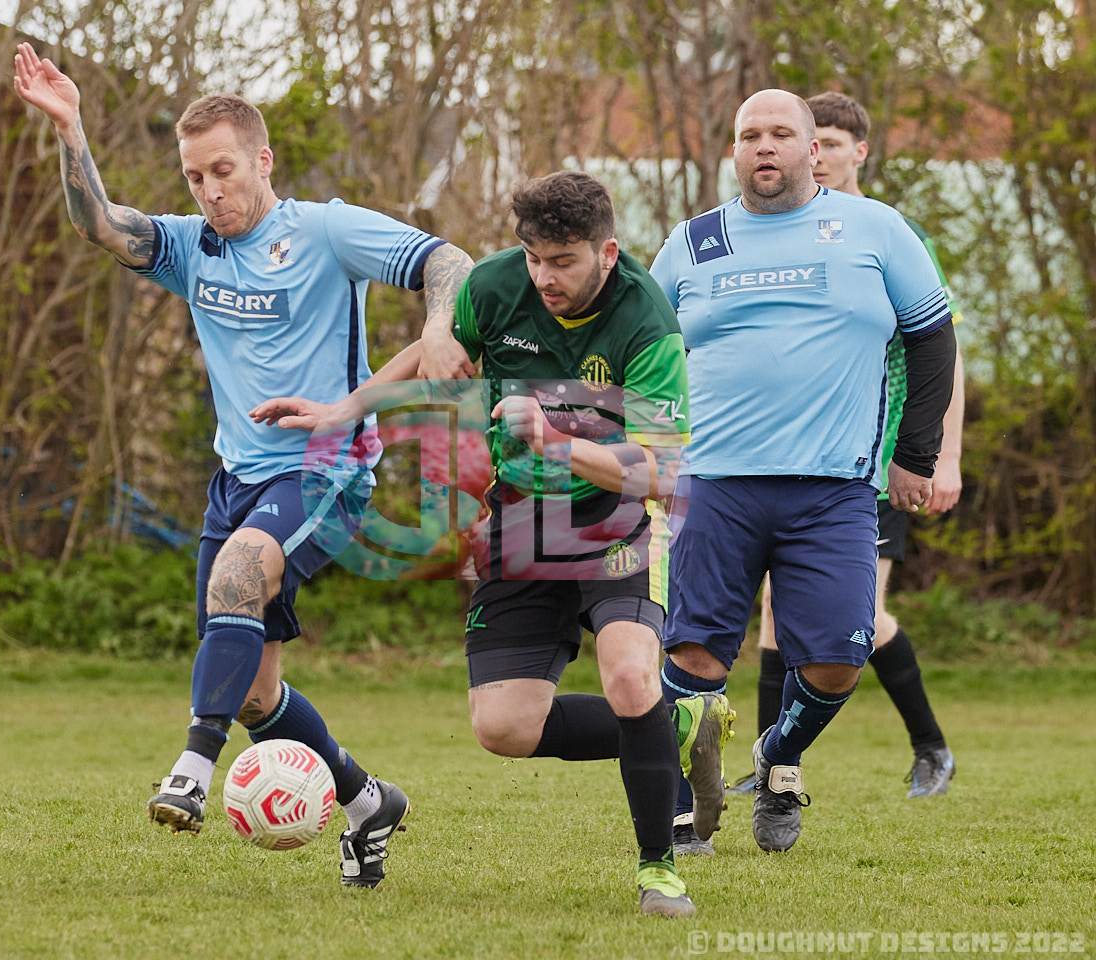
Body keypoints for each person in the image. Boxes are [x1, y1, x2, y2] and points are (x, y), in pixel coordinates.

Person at [12, 42, 474, 888]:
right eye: (194, 177)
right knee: (257, 693)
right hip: (236, 481)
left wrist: (439, 328)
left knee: (238, 574)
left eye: (223, 171)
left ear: (262, 161)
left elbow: (449, 262)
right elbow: (100, 225)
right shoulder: (192, 248)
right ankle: (367, 801)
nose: (209, 191)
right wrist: (70, 128)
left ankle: (192, 769)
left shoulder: (326, 229)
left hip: (326, 469)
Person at [256, 171, 698, 918]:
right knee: (503, 728)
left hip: (615, 520)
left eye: (562, 261)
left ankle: (659, 871)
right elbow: (432, 351)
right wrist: (346, 409)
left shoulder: (647, 322)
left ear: (606, 252)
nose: (544, 277)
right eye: (533, 258)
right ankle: (674, 721)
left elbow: (662, 472)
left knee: (629, 675)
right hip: (520, 521)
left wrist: (558, 442)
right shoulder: (494, 286)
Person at [650, 89, 958, 855]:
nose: (766, 145)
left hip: (834, 488)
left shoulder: (876, 228)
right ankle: (684, 810)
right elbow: (645, 353)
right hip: (713, 483)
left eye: (781, 133)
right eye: (750, 134)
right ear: (733, 152)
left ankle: (777, 757)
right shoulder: (692, 242)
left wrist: (916, 456)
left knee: (837, 661)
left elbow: (933, 339)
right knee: (693, 656)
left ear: (813, 151)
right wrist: (650, 451)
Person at [728, 91, 964, 801]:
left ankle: (931, 747)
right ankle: (773, 768)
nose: (819, 154)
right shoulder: (785, 231)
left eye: (831, 142)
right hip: (798, 458)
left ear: (858, 151)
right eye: (815, 141)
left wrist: (942, 457)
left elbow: (943, 352)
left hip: (879, 456)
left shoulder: (890, 232)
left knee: (861, 621)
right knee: (777, 614)